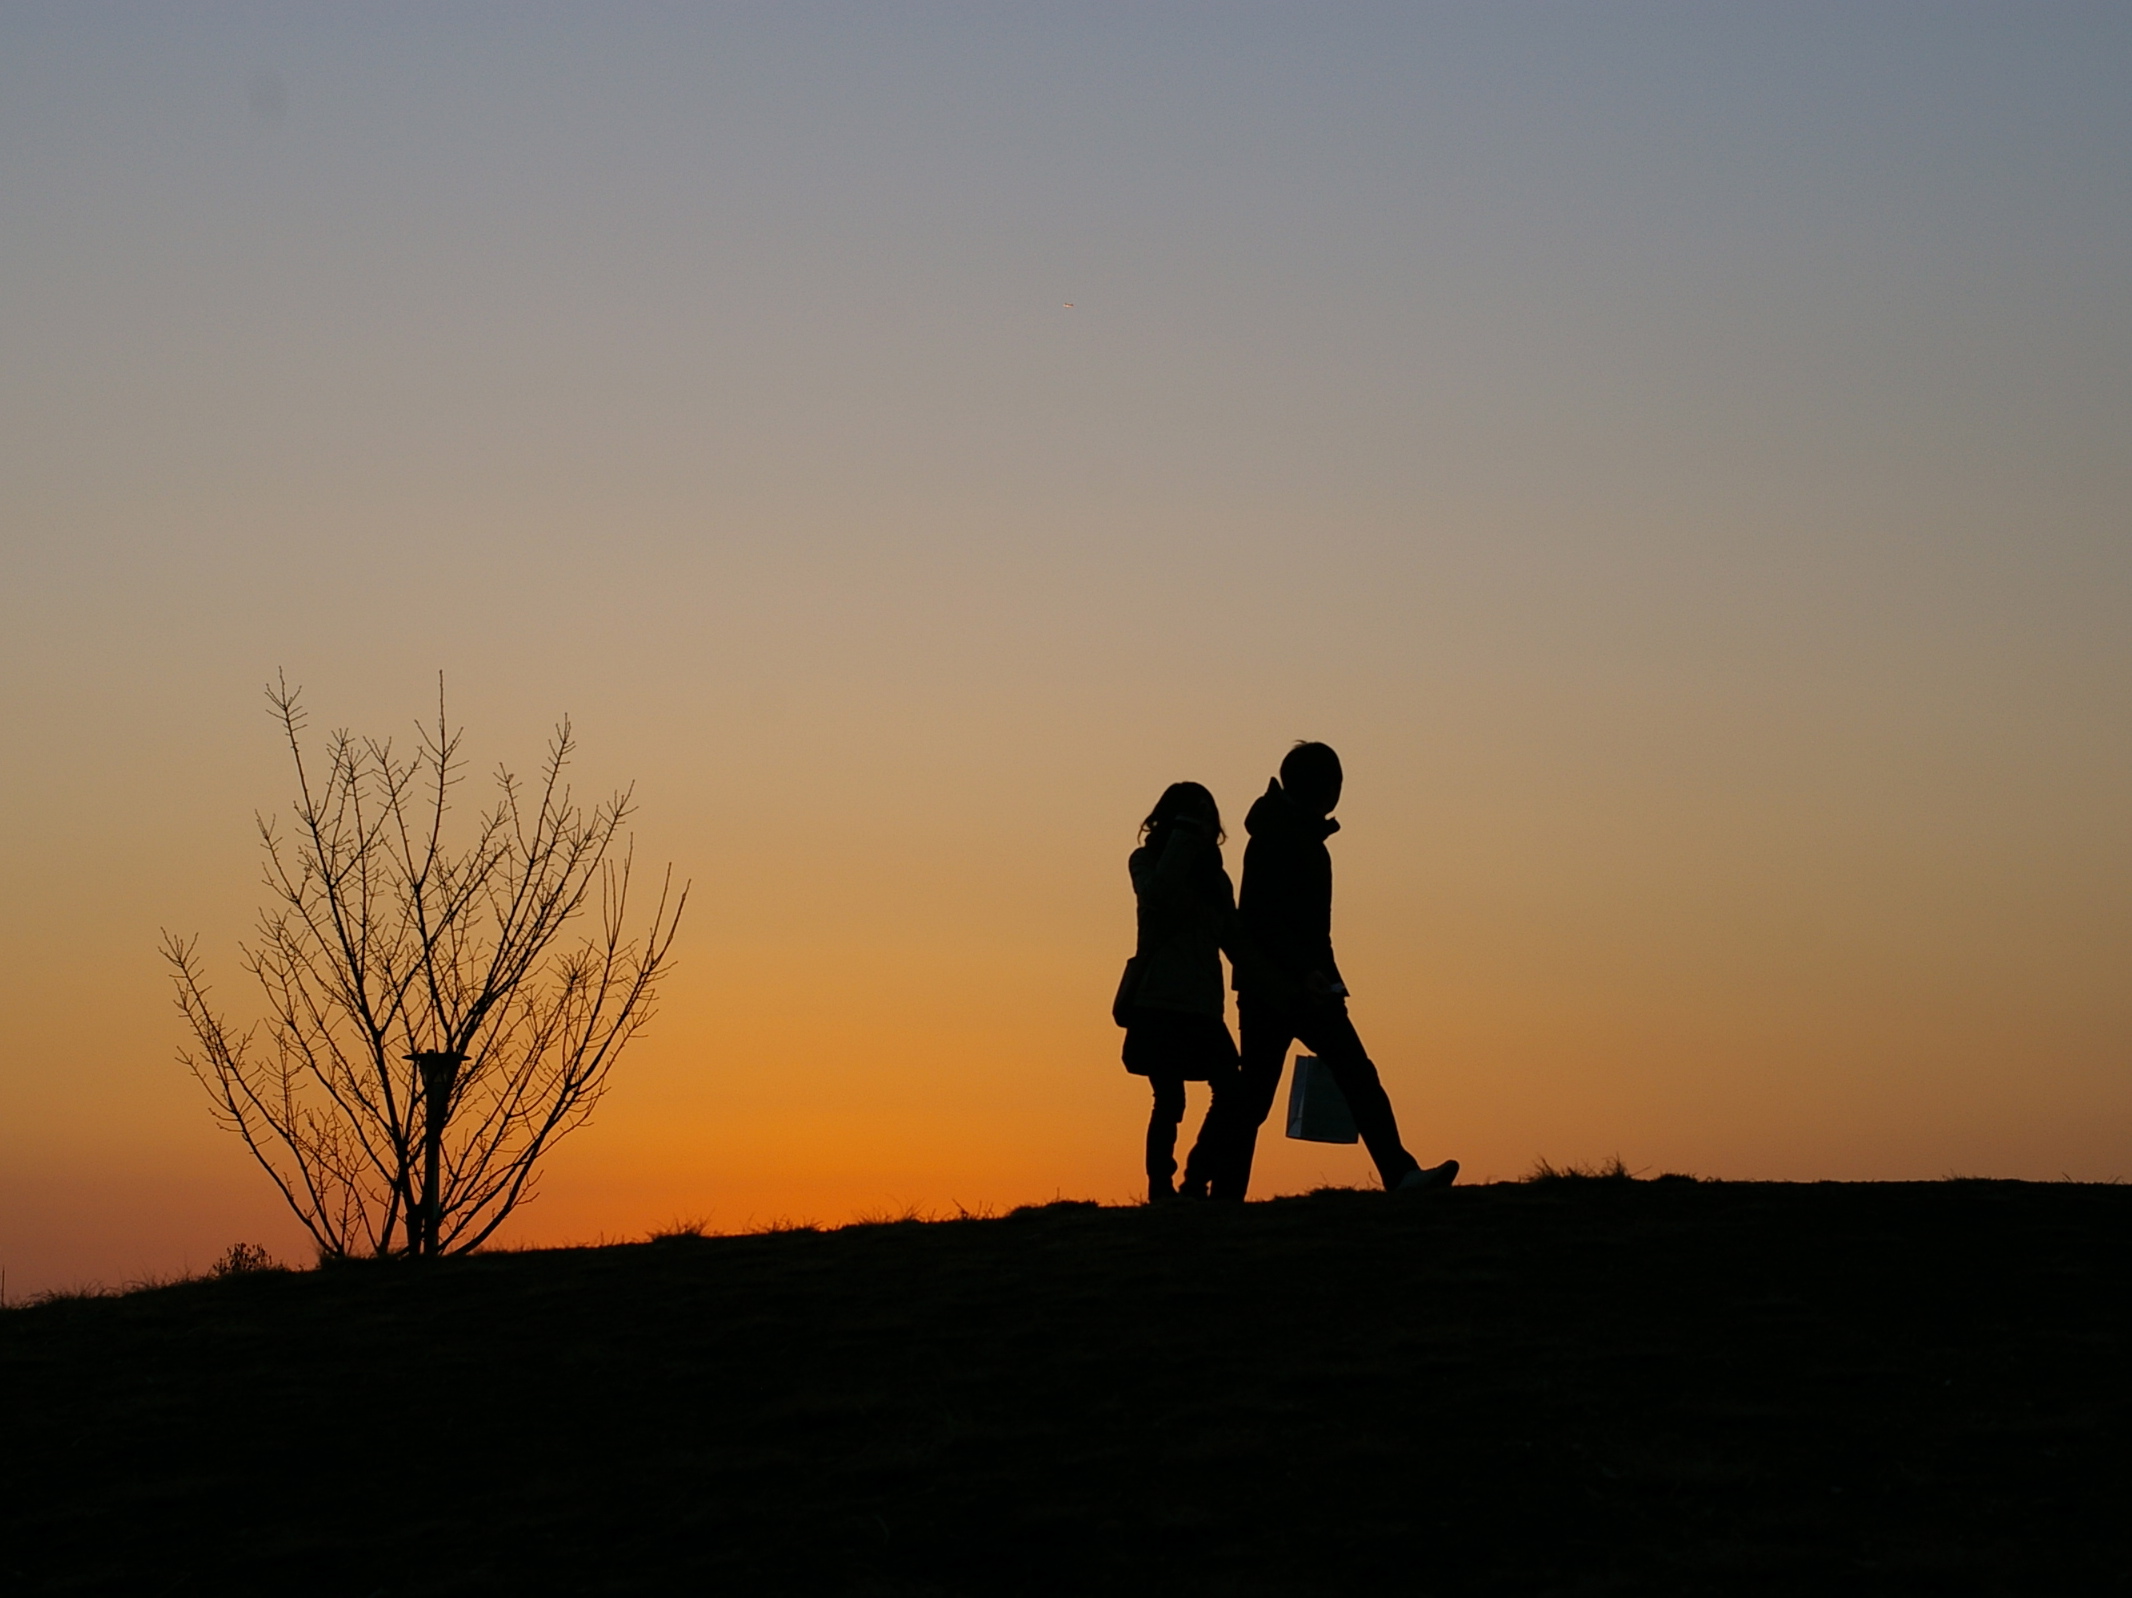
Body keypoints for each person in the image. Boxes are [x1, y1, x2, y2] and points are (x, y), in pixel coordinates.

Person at [1203, 741, 1458, 1200]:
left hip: (1290, 984)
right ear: (1324, 788)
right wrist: (1309, 972)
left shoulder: (1285, 834)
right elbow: (1267, 920)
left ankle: (1224, 1196)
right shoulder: (1283, 839)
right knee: (1348, 1076)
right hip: (1289, 986)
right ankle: (1398, 1174)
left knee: (1307, 1084)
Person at [1118, 781, 1242, 1202]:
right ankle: (1160, 1188)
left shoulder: (1216, 878)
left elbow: (1234, 938)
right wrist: (1182, 844)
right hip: (1158, 1000)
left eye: (1207, 818)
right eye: (1192, 817)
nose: (1203, 827)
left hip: (1204, 1005)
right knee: (1169, 1099)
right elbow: (1159, 895)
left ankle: (1196, 1178)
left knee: (1230, 1088)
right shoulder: (1146, 861)